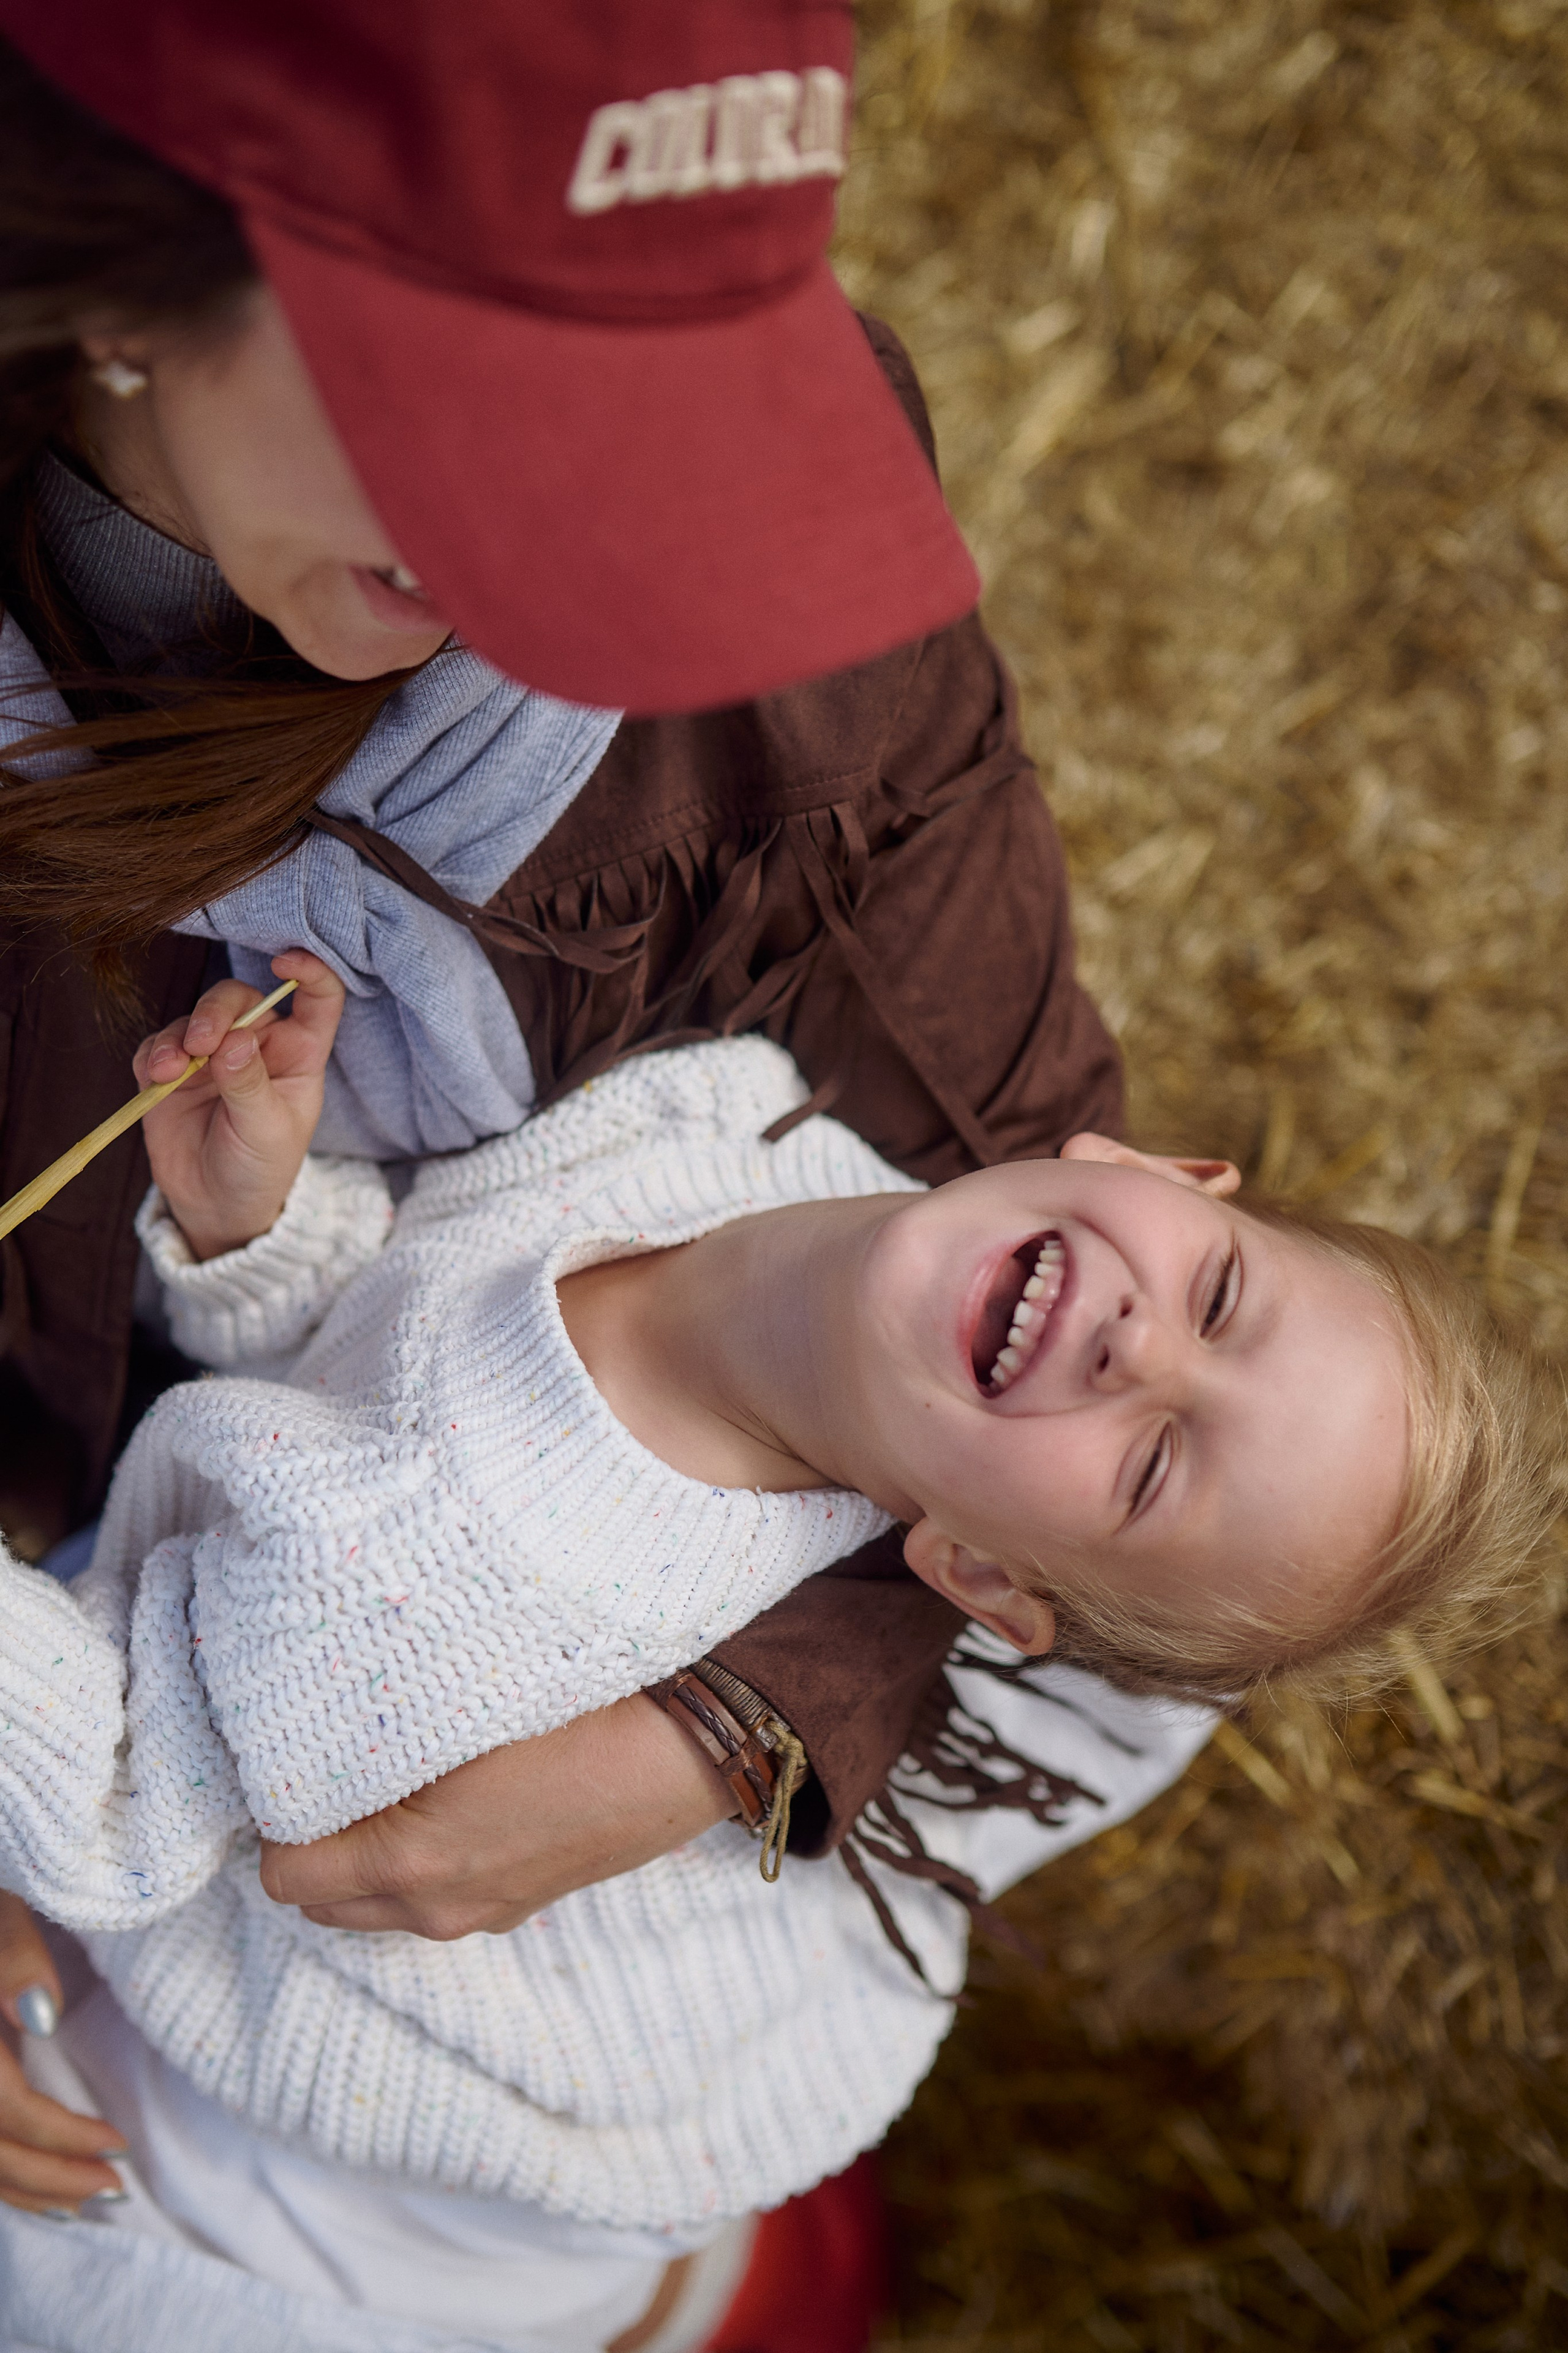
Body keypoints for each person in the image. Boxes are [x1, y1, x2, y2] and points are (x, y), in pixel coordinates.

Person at [0, 0, 1123, 1973]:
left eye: (673, 397)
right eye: (492, 399)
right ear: (136, 273)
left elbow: (1034, 1201)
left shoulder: (765, 616)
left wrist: (720, 1735)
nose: (584, 529)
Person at [0, 958, 1552, 2353]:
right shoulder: (746, 1122)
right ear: (1157, 1170)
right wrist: (261, 1228)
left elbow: (128, 1782)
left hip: (402, 2109)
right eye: (1220, 1293)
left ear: (977, 1575)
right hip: (594, 1923)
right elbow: (383, 1373)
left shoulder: (449, 1605)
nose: (1134, 1346)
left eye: (1154, 1464)